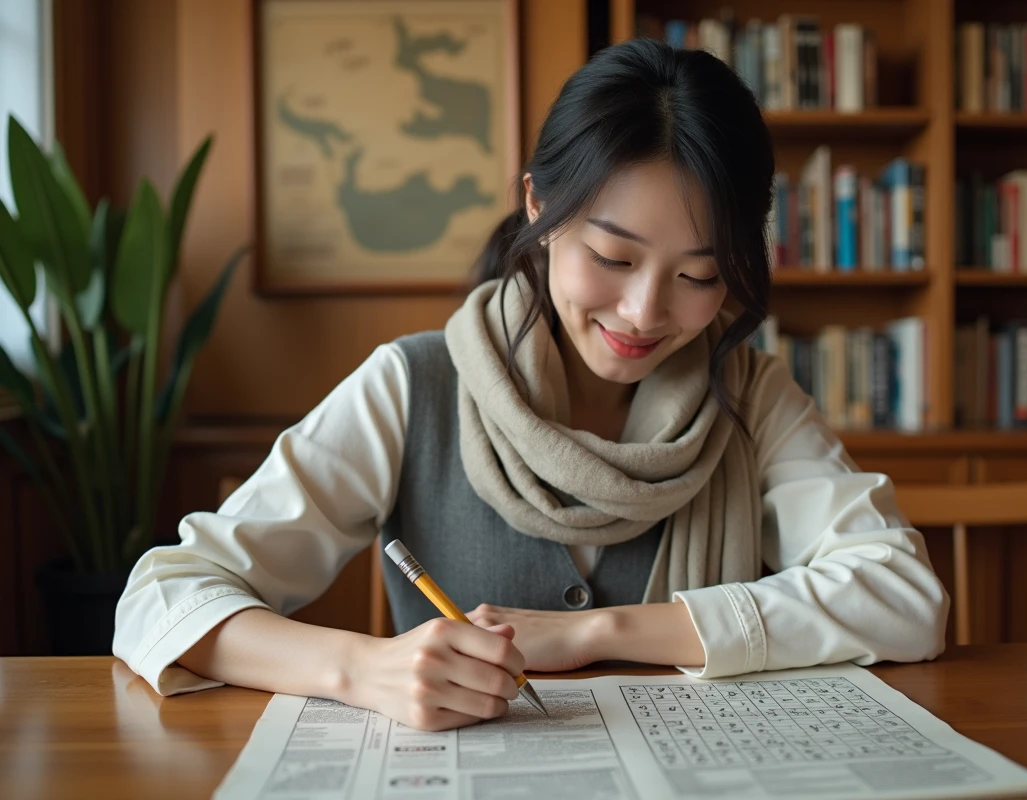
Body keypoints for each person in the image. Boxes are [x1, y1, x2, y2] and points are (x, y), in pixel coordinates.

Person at [113, 39, 948, 733]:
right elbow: (162, 599)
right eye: (612, 259)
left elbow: (904, 596)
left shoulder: (752, 398)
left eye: (699, 274)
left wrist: (597, 633)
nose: (644, 311)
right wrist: (362, 667)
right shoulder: (415, 385)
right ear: (538, 208)